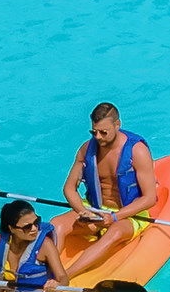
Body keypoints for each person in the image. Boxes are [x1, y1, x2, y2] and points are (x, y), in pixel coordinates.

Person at [62, 103, 162, 278]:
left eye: (103, 132)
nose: (98, 137)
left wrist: (115, 217)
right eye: (94, 132)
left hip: (128, 215)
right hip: (94, 208)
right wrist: (83, 212)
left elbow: (149, 198)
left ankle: (65, 276)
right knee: (56, 224)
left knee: (114, 232)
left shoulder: (137, 151)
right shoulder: (87, 149)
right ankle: (45, 271)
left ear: (117, 125)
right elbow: (69, 189)